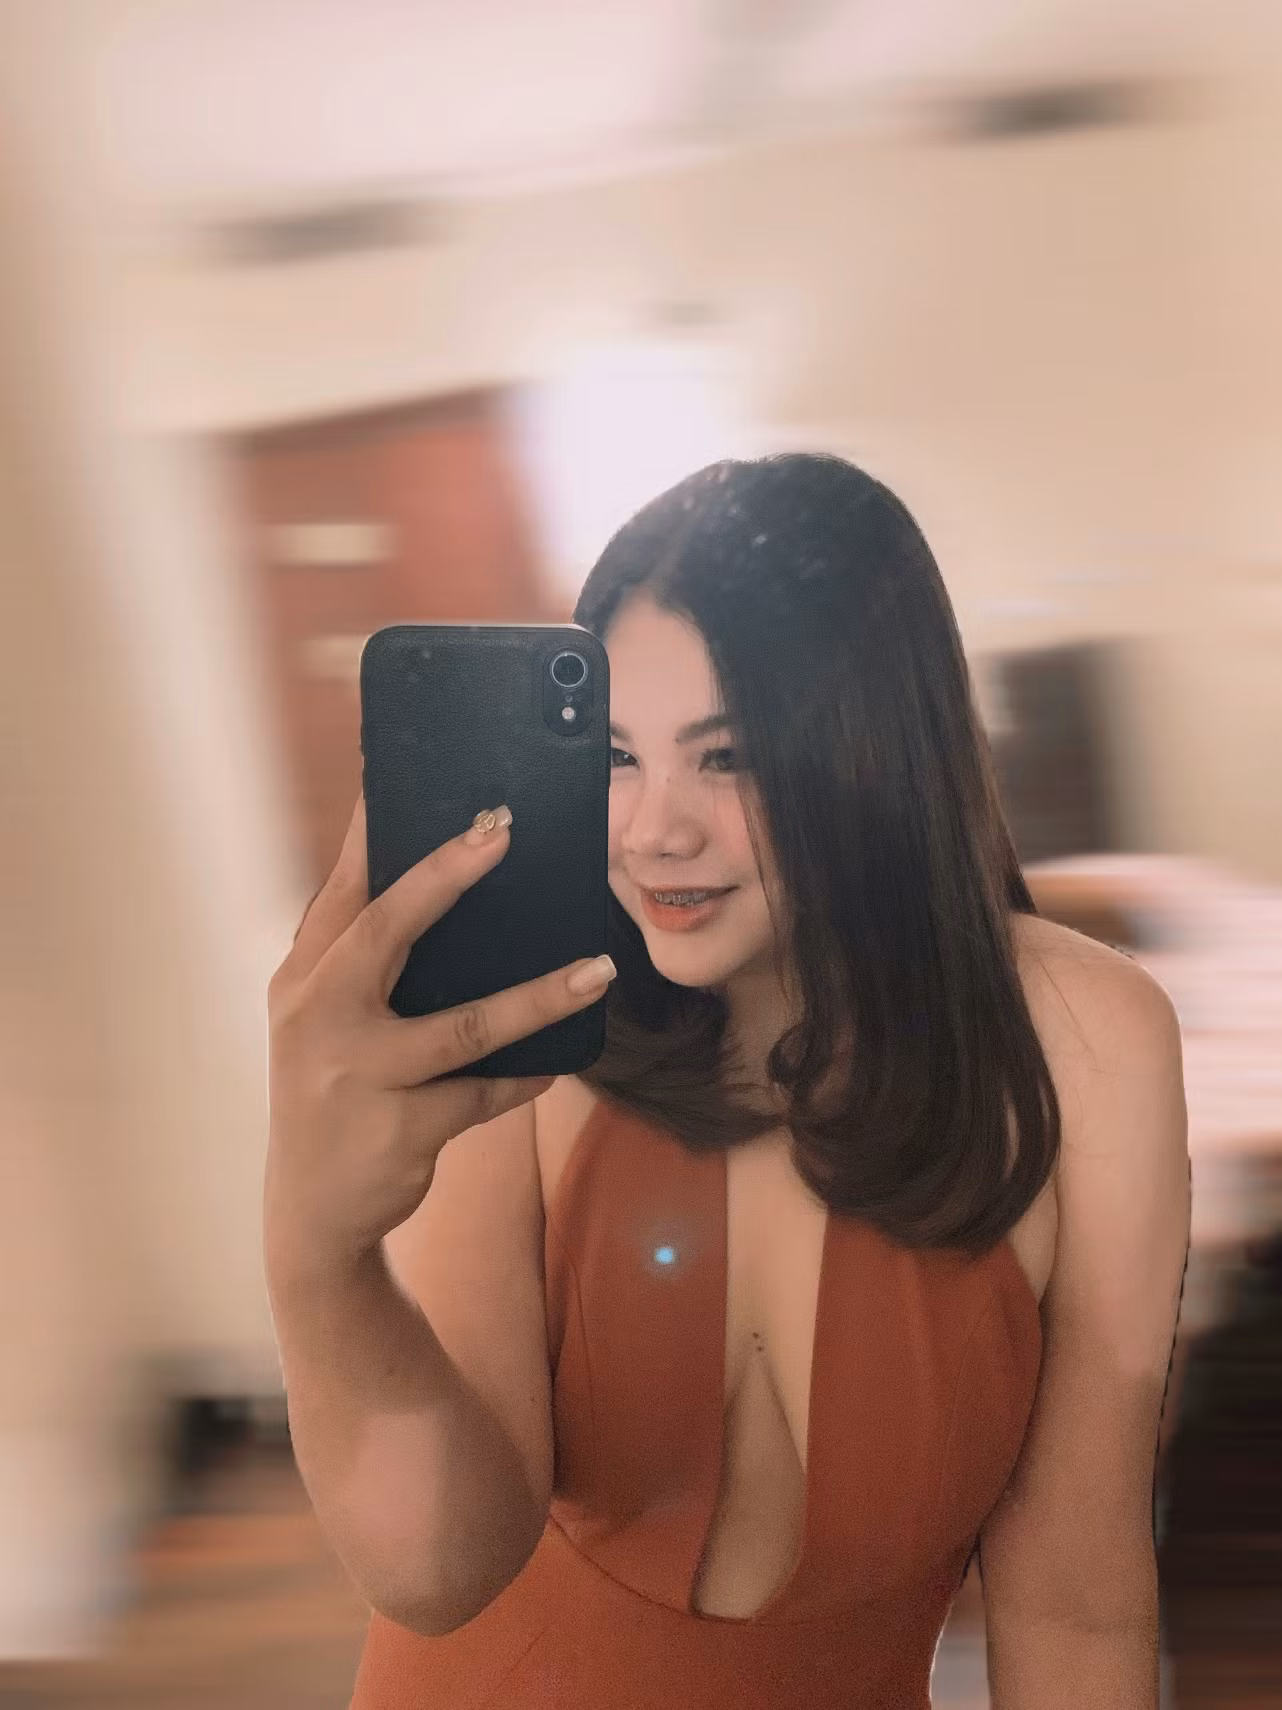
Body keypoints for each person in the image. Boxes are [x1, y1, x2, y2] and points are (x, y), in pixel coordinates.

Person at [264, 454, 1192, 1708]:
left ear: (876, 752)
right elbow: (437, 1570)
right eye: (615, 756)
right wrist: (316, 1251)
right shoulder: (529, 1019)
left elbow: (1074, 1608)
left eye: (727, 757)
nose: (655, 829)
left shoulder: (1089, 1045)